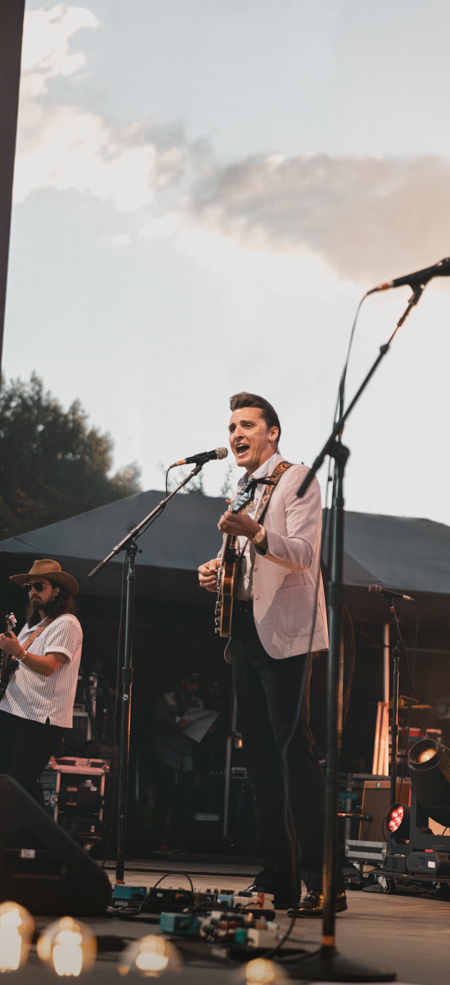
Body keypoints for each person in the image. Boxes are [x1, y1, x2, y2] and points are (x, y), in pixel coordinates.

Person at [197, 392, 345, 918]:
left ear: (272, 432)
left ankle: (326, 880)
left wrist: (256, 531)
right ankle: (277, 880)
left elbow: (303, 554)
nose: (235, 433)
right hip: (244, 635)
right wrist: (215, 571)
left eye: (247, 425)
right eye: (231, 424)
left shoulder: (298, 477)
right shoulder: (243, 487)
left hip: (285, 635)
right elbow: (240, 560)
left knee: (293, 755)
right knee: (259, 761)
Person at [0, 559, 82, 806]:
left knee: (20, 783)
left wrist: (18, 652)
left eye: (39, 586)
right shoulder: (32, 626)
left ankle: (37, 840)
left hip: (40, 718)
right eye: (29, 587)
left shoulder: (67, 624)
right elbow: (24, 665)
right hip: (11, 709)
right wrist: (1, 679)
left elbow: (49, 667)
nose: (32, 591)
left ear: (57, 591)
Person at [150, 672, 204, 852]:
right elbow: (154, 725)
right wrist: (174, 727)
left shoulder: (198, 704)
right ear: (183, 682)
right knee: (163, 799)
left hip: (184, 757)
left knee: (181, 800)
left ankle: (176, 841)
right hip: (165, 755)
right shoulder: (168, 700)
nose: (194, 687)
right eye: (191, 682)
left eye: (197, 683)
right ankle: (158, 840)